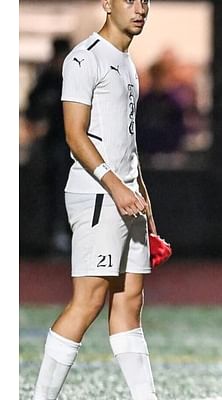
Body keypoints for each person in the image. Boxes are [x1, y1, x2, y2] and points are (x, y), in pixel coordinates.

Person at [31, 0, 160, 399]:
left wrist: (144, 199)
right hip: (99, 196)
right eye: (129, 0)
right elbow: (75, 134)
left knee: (129, 303)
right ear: (107, 3)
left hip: (127, 198)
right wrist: (115, 186)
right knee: (87, 303)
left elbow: (128, 142)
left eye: (144, 0)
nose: (139, 8)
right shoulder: (83, 59)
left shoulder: (127, 62)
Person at [24, 37, 73, 255]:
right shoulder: (47, 80)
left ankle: (67, 234)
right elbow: (32, 109)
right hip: (54, 144)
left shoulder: (75, 78)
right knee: (53, 189)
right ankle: (55, 234)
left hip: (75, 147)